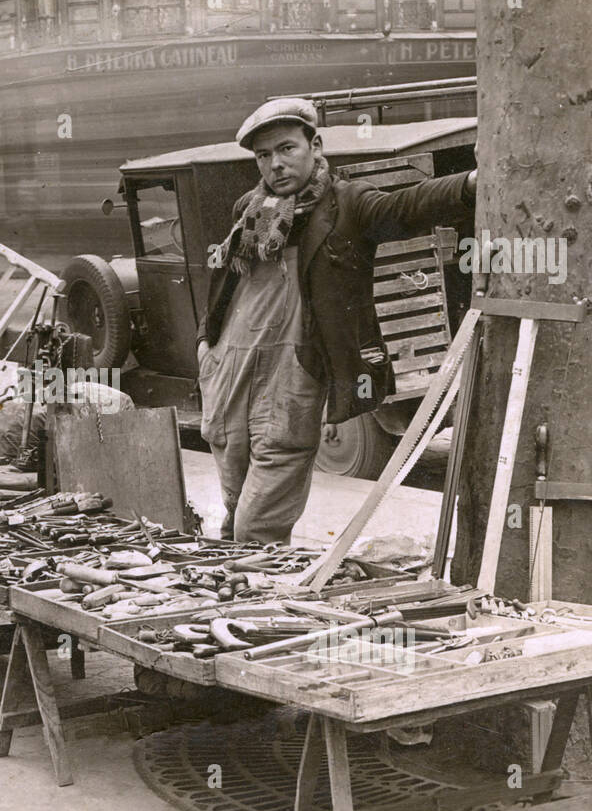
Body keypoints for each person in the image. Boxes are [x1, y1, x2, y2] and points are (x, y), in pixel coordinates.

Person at [197, 98, 477, 543]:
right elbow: (225, 283)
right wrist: (207, 344)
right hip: (229, 363)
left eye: (287, 148)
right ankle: (240, 580)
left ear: (316, 145)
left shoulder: (347, 204)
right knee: (233, 494)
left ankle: (259, 580)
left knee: (260, 516)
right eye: (264, 155)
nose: (276, 164)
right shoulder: (249, 209)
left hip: (292, 368)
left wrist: (470, 184)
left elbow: (405, 206)